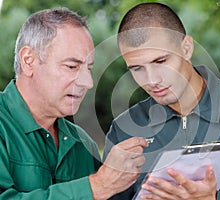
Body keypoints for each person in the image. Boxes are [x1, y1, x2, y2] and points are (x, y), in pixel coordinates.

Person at [103, 2, 220, 200]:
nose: (152, 80)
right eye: (137, 68)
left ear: (186, 48)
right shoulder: (123, 130)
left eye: (160, 61)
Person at [0, 7, 148, 199]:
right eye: (72, 66)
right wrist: (97, 186)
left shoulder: (84, 143)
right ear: (29, 61)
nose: (88, 83)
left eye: (89, 68)